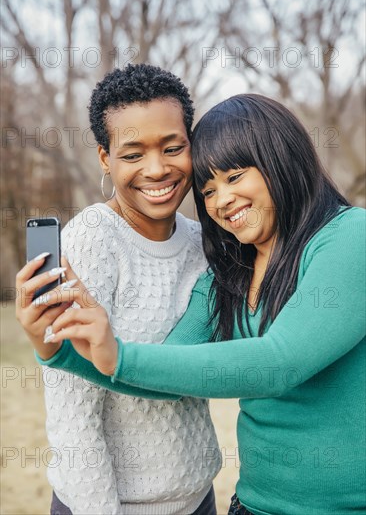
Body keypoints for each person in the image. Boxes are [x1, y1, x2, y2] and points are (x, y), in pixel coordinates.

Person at [24, 94, 365, 515]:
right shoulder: (229, 269)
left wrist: (118, 355)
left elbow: (281, 362)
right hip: (252, 506)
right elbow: (166, 373)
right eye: (207, 189)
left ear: (281, 158)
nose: (221, 199)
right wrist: (57, 353)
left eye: (235, 176)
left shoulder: (350, 238)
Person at [15, 64, 222, 515]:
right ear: (105, 158)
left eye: (173, 147)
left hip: (197, 499)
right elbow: (73, 416)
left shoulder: (202, 241)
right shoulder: (92, 240)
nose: (157, 169)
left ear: (192, 145)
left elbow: (193, 371)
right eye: (132, 154)